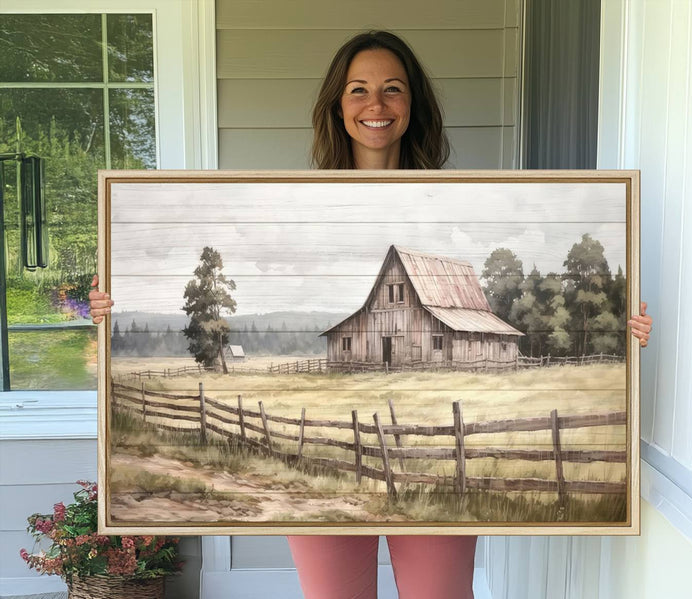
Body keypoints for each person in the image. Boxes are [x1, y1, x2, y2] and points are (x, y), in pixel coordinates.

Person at [90, 30, 653, 599]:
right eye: (358, 90)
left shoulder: (458, 201)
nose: (375, 105)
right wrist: (109, 308)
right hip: (327, 491)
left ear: (413, 105)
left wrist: (625, 336)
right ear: (338, 105)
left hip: (430, 462)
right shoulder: (302, 201)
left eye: (392, 89)